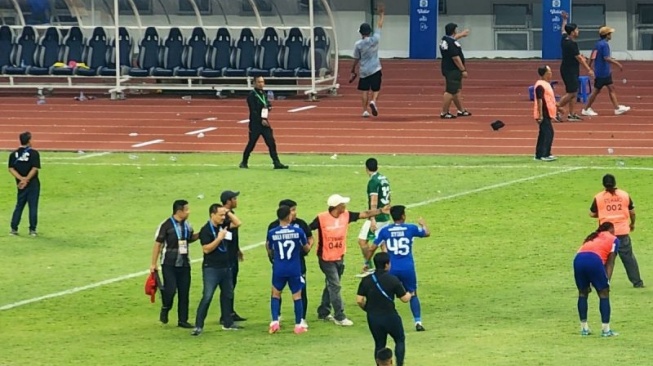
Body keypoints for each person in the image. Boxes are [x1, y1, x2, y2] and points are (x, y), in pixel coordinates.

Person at [308, 194, 390, 326]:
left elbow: (364, 214)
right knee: (335, 285)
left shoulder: (346, 215)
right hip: (326, 258)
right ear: (336, 206)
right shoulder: (321, 218)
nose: (345, 206)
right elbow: (307, 228)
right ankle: (339, 316)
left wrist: (380, 211)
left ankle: (323, 311)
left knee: (331, 284)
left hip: (339, 256)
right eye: (343, 204)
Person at [366, 205, 430, 331]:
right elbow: (426, 233)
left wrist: (366, 261)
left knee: (388, 294)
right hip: (407, 268)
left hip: (391, 268)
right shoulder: (410, 228)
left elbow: (372, 247)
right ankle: (418, 322)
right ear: (403, 216)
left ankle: (388, 321)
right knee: (413, 293)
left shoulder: (385, 231)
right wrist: (423, 224)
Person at [191, 203, 242, 336]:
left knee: (227, 295)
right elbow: (206, 249)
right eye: (220, 215)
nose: (222, 217)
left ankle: (227, 323)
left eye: (223, 215)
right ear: (212, 215)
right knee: (207, 296)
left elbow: (237, 223)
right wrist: (219, 238)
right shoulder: (206, 230)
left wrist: (228, 212)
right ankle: (198, 325)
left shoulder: (222, 226)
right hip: (211, 269)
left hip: (225, 267)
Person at [150, 199, 200, 328]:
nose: (189, 212)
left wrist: (200, 234)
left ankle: (183, 320)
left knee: (184, 292)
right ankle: (166, 307)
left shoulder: (187, 225)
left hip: (184, 263)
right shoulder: (166, 225)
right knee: (170, 290)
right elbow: (158, 244)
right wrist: (153, 263)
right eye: (187, 209)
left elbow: (189, 239)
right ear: (179, 211)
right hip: (169, 264)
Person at [357, 252, 411, 366]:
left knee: (379, 344)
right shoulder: (392, 279)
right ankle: (399, 364)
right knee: (399, 340)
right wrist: (411, 293)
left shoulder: (366, 280)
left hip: (374, 318)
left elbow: (359, 300)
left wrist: (368, 309)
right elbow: (405, 299)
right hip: (390, 316)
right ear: (387, 265)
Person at [589, 174, 643, 288]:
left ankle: (601, 282)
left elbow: (592, 213)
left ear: (603, 184)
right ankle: (637, 282)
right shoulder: (624, 195)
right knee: (628, 258)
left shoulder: (599, 197)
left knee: (605, 258)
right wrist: (632, 224)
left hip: (605, 233)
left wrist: (603, 214)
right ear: (615, 183)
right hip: (622, 231)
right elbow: (632, 212)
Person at [267, 199, 313, 328]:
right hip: (294, 268)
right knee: (297, 295)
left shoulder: (272, 232)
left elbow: (269, 248)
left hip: (279, 268)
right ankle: (299, 324)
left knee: (275, 293)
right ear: (289, 216)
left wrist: (273, 258)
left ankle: (275, 321)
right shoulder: (298, 232)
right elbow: (306, 248)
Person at [573, 222, 619, 337]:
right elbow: (610, 262)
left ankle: (584, 328)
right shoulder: (613, 239)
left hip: (578, 259)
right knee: (604, 293)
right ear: (611, 229)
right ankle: (606, 330)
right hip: (594, 260)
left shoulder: (592, 236)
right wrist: (607, 281)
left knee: (583, 293)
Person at [239, 76, 289, 169]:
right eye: (259, 82)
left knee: (271, 142)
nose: (261, 84)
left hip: (265, 122)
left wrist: (269, 107)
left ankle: (276, 162)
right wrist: (261, 120)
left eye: (262, 82)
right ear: (254, 83)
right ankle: (244, 161)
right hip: (255, 124)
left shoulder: (263, 94)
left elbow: (266, 104)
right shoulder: (251, 95)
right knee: (252, 143)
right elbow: (253, 110)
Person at [581, 27, 631, 116]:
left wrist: (589, 67)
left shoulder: (598, 44)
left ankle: (617, 108)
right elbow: (606, 58)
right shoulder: (604, 45)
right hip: (603, 72)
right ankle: (586, 108)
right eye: (610, 34)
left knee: (611, 88)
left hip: (602, 71)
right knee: (596, 91)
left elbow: (593, 56)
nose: (611, 35)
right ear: (607, 35)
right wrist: (618, 64)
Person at [357, 158, 391, 277]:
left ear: (366, 168)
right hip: (385, 215)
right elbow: (389, 198)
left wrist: (372, 219)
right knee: (383, 243)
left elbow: (374, 201)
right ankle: (389, 268)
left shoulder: (373, 181)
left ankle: (369, 266)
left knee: (362, 240)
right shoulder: (384, 178)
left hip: (377, 217)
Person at [558, 12, 594, 122]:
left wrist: (564, 20)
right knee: (572, 92)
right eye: (577, 30)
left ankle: (572, 114)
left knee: (574, 91)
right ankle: (557, 107)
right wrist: (589, 69)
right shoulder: (572, 44)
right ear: (573, 32)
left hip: (570, 69)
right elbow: (579, 58)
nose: (578, 31)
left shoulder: (565, 39)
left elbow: (563, 30)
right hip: (569, 70)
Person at [350, 3, 384, 118]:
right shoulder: (375, 40)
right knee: (376, 89)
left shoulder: (358, 44)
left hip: (364, 70)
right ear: (369, 32)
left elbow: (356, 58)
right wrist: (381, 15)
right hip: (375, 68)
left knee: (364, 90)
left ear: (361, 32)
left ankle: (364, 110)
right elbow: (379, 26)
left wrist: (353, 69)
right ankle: (374, 101)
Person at [220, 190, 248, 323]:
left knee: (232, 285)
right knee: (228, 286)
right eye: (234, 199)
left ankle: (230, 311)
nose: (236, 201)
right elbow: (237, 224)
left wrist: (238, 249)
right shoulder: (224, 216)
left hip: (232, 254)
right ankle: (225, 314)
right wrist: (226, 211)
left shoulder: (229, 214)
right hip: (226, 257)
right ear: (228, 201)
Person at [8, 132, 41, 236]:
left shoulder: (13, 154)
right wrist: (26, 179)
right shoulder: (34, 153)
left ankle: (14, 228)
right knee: (33, 206)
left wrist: (21, 179)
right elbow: (34, 168)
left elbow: (11, 169)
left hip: (20, 185)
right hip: (33, 184)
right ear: (29, 141)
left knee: (19, 205)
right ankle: (32, 230)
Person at [439, 22, 472, 119]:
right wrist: (463, 70)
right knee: (450, 91)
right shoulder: (452, 44)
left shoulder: (445, 40)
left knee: (456, 90)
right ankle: (444, 112)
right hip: (453, 70)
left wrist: (461, 35)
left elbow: (453, 38)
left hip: (447, 68)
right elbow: (456, 58)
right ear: (454, 31)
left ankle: (461, 110)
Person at [533, 65, 557, 162]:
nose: (551, 74)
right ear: (544, 74)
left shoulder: (546, 84)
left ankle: (539, 154)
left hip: (547, 112)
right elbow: (539, 100)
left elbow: (549, 99)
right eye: (549, 72)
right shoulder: (540, 85)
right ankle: (544, 154)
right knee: (548, 133)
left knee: (543, 133)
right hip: (544, 112)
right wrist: (540, 115)